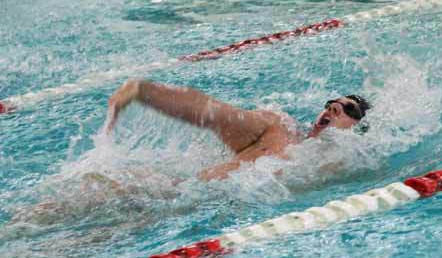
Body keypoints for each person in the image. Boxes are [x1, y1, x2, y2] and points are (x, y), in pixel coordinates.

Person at [106, 79, 371, 182]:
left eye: (349, 110)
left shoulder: (343, 162)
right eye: (332, 103)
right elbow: (213, 112)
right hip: (156, 193)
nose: (335, 106)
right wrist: (146, 92)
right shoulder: (279, 128)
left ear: (357, 128)